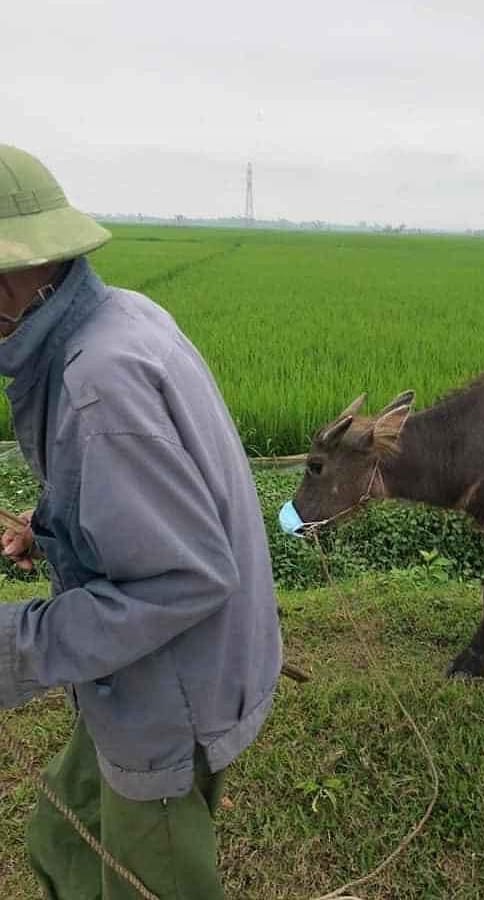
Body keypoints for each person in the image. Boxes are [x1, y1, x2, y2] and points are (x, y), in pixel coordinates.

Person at [0, 144, 282, 899]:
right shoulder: (119, 314)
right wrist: (50, 529)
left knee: (141, 879)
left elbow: (183, 578)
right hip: (141, 672)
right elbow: (146, 497)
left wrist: (13, 644)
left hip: (169, 692)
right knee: (62, 843)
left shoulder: (98, 387)